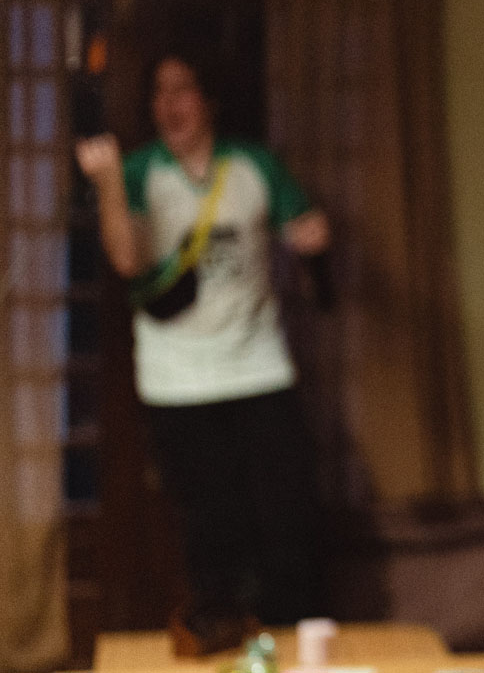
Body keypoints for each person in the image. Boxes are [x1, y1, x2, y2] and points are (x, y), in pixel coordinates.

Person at [75, 48, 330, 654]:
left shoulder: (253, 164)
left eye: (182, 90)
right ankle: (224, 646)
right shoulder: (140, 171)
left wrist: (313, 240)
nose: (169, 105)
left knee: (288, 516)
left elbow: (305, 227)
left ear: (209, 100)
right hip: (178, 378)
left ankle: (293, 645)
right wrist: (108, 183)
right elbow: (126, 258)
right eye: (159, 93)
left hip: (259, 366)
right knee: (209, 525)